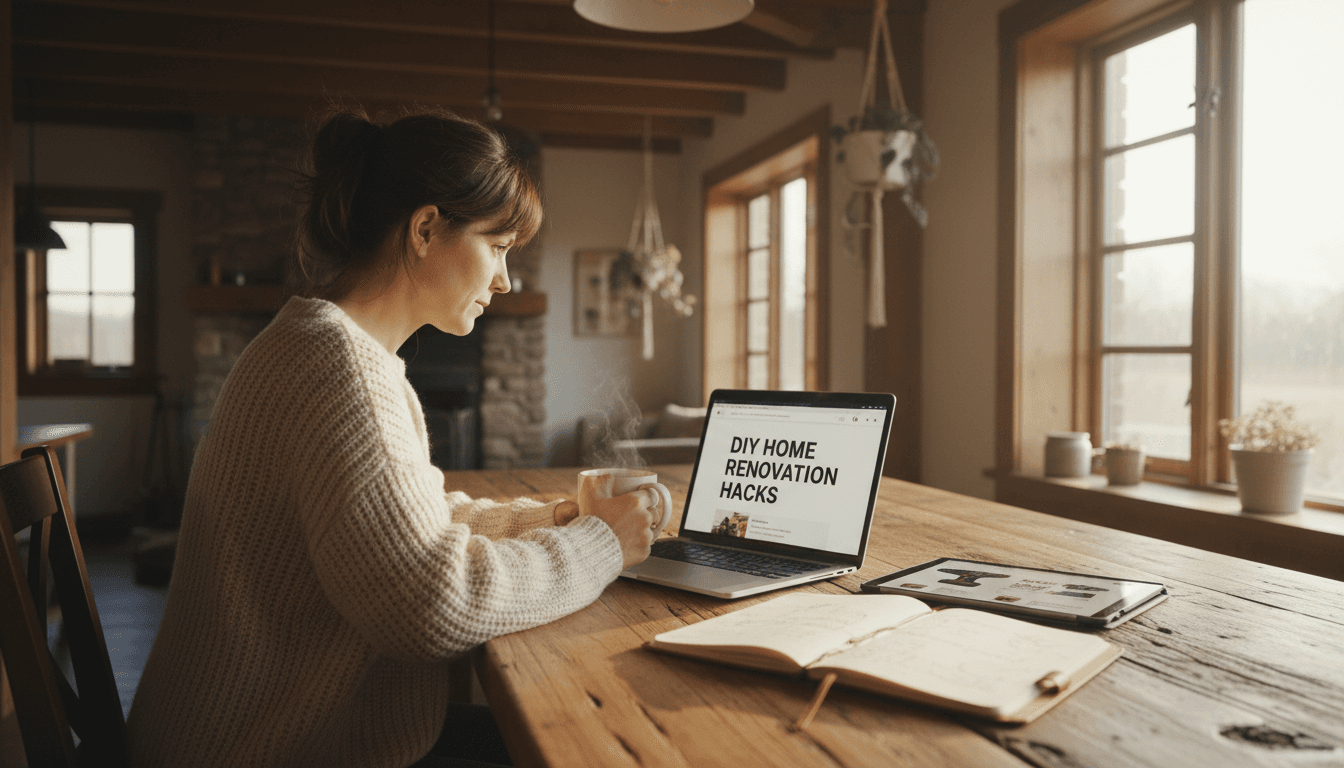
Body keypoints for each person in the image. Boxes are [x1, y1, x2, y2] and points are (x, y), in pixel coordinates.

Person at [126, 108, 660, 768]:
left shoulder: (325, 346)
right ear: (427, 229)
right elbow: (433, 603)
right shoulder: (340, 371)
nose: (504, 280)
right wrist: (601, 542)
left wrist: (558, 515)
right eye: (497, 247)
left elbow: (419, 524)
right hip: (267, 750)